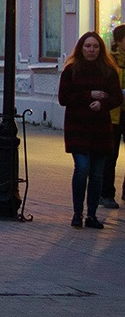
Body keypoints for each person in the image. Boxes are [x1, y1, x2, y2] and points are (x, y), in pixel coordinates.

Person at [59, 31, 124, 229]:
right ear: (81, 48)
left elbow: (117, 98)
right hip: (77, 128)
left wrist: (102, 105)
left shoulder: (108, 71)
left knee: (97, 174)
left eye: (95, 47)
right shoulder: (71, 70)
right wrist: (89, 95)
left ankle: (92, 215)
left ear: (101, 49)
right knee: (82, 168)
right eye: (88, 46)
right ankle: (77, 212)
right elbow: (64, 98)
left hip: (101, 130)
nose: (92, 50)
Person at [102, 25, 125, 211]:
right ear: (118, 42)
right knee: (111, 155)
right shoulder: (110, 63)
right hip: (113, 114)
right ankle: (107, 193)